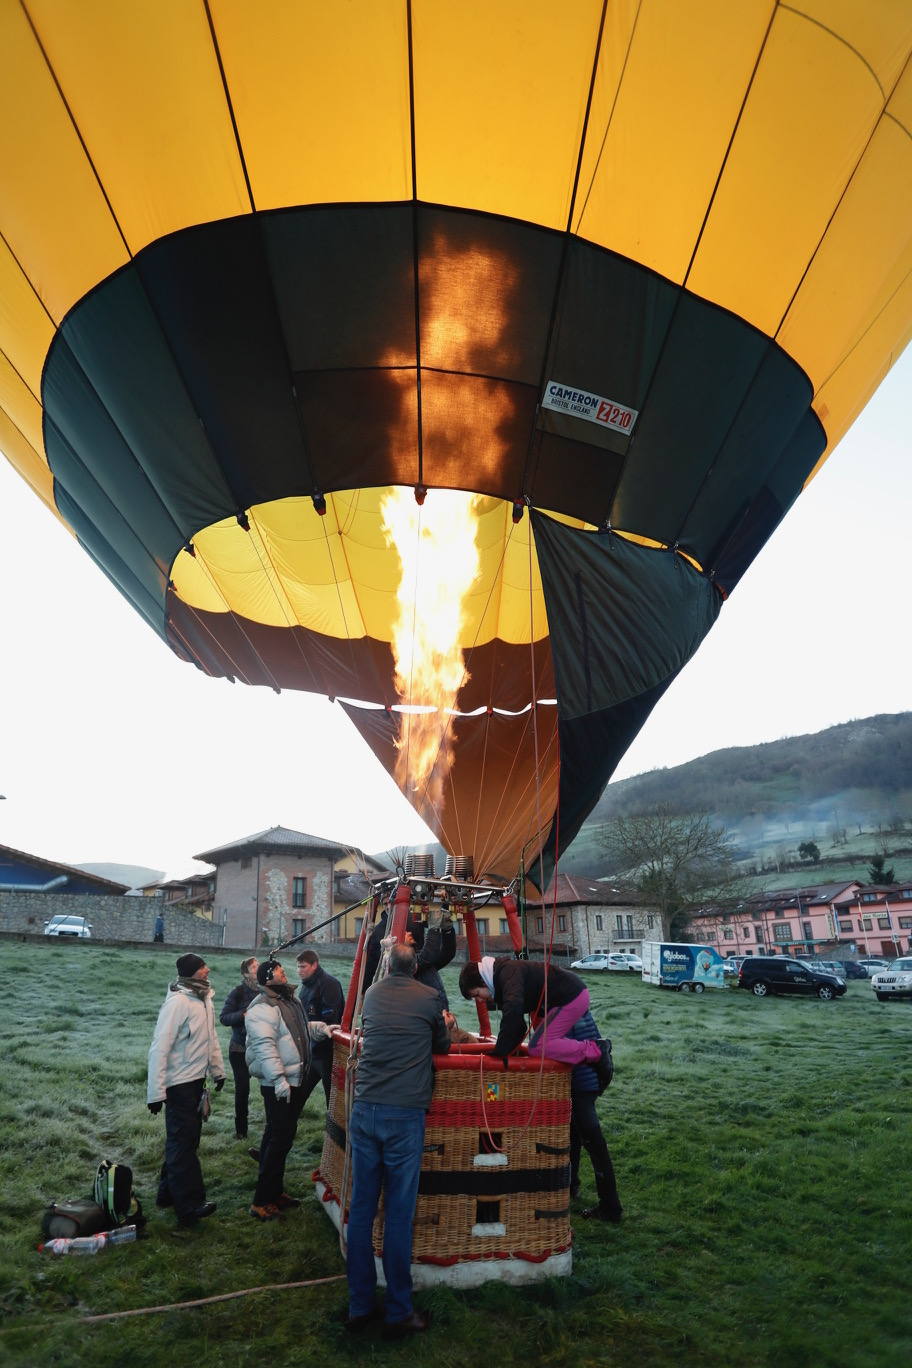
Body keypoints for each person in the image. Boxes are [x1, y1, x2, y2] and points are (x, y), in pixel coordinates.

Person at [346, 941, 450, 1339]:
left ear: (388, 966)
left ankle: (359, 1305)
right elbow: (441, 1045)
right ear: (416, 968)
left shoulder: (372, 994)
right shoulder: (428, 998)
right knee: (398, 1213)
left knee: (361, 1209)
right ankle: (399, 1310)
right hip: (404, 1114)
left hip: (365, 1108)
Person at [245, 959, 333, 1221]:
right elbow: (265, 1047)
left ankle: (275, 1192)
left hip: (291, 1080)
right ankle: (261, 1201)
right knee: (277, 1140)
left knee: (281, 1138)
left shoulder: (289, 1000)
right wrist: (279, 1079)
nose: (285, 973)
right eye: (280, 971)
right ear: (269, 978)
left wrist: (319, 1029)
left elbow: (296, 1031)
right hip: (278, 1085)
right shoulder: (263, 1007)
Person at [147, 952, 225, 1226]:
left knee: (184, 1142)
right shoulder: (178, 1002)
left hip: (196, 1081)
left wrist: (217, 1071)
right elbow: (160, 1047)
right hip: (179, 1084)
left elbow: (211, 1038)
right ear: (191, 972)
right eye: (202, 966)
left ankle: (167, 1195)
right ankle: (189, 1207)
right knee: (183, 1146)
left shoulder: (204, 999)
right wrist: (156, 1093)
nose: (208, 969)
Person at [532, 1009, 622, 1223]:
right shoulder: (568, 1002)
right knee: (573, 1135)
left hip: (580, 1080)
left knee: (594, 1144)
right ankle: (571, 1185)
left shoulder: (552, 1008)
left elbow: (556, 1046)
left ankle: (610, 1207)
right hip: (586, 1077)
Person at [458, 956, 611, 1081]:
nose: (480, 1000)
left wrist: (500, 1052)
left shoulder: (507, 973)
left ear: (483, 981)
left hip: (570, 997)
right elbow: (519, 1026)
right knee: (538, 1046)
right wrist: (507, 1050)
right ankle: (592, 1053)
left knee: (538, 1046)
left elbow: (513, 1012)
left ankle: (597, 1050)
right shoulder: (502, 975)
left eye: (477, 994)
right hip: (566, 997)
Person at [363, 907, 456, 1004]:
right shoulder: (405, 966)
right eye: (404, 931)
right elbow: (427, 956)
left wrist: (447, 931)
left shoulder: (422, 962)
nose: (409, 932)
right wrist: (434, 928)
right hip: (428, 1008)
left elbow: (446, 955)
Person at [296, 950, 344, 1106]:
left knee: (333, 1100)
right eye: (298, 967)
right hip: (311, 1051)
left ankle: (333, 1123)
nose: (299, 971)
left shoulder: (330, 985)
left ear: (314, 965)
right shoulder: (306, 987)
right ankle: (288, 1121)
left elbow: (331, 1019)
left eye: (303, 967)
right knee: (298, 1096)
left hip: (328, 1053)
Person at [219, 957, 259, 1139]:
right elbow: (224, 1018)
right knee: (243, 1090)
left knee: (270, 1088)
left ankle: (273, 1128)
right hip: (239, 1048)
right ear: (245, 973)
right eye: (253, 967)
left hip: (261, 1048)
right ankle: (241, 1131)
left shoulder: (267, 991)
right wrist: (243, 1014)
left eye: (258, 966)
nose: (257, 969)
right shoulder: (238, 992)